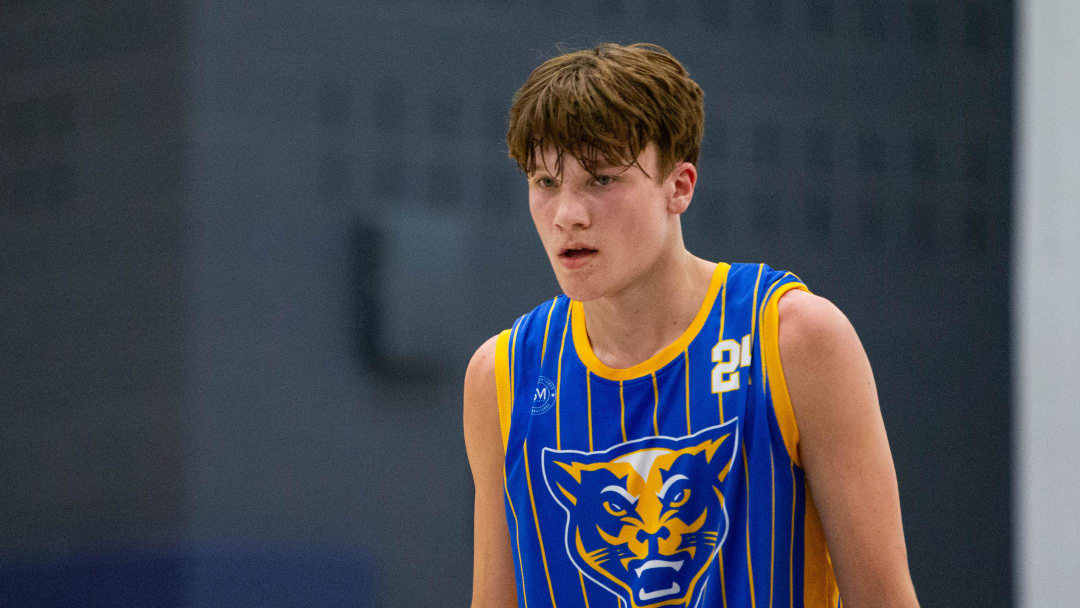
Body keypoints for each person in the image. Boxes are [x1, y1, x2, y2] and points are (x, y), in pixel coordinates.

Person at [463, 42, 918, 608]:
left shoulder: (796, 339)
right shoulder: (499, 376)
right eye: (546, 182)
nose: (567, 214)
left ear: (678, 186)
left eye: (601, 180)